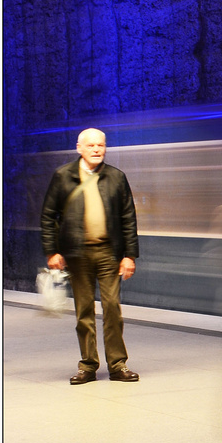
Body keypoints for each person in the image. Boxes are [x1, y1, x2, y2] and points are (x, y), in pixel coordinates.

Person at [40, 128, 141, 385]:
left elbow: (128, 218)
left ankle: (118, 365)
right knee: (83, 311)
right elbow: (48, 216)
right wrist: (52, 251)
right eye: (91, 145)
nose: (97, 149)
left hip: (108, 253)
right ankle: (88, 365)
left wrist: (129, 255)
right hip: (77, 254)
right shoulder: (63, 176)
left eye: (101, 145)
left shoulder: (117, 178)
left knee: (112, 310)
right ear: (79, 148)